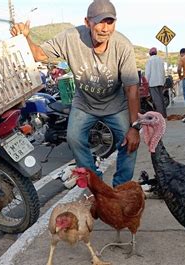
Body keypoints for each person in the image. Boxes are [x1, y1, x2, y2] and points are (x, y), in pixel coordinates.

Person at [10, 0, 140, 187]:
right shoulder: (71, 38)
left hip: (115, 104)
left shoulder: (123, 46)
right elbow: (39, 55)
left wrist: (134, 127)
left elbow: (131, 88)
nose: (105, 28)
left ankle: (120, 187)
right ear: (88, 22)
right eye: (100, 22)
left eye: (110, 22)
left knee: (131, 142)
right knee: (74, 138)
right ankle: (95, 184)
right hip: (84, 104)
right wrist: (25, 38)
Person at [145, 47, 167, 118]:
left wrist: (146, 82)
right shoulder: (160, 59)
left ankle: (161, 116)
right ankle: (164, 114)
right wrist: (163, 81)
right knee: (161, 98)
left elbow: (148, 73)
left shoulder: (149, 60)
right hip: (160, 81)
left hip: (153, 82)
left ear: (150, 53)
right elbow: (163, 71)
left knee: (156, 100)